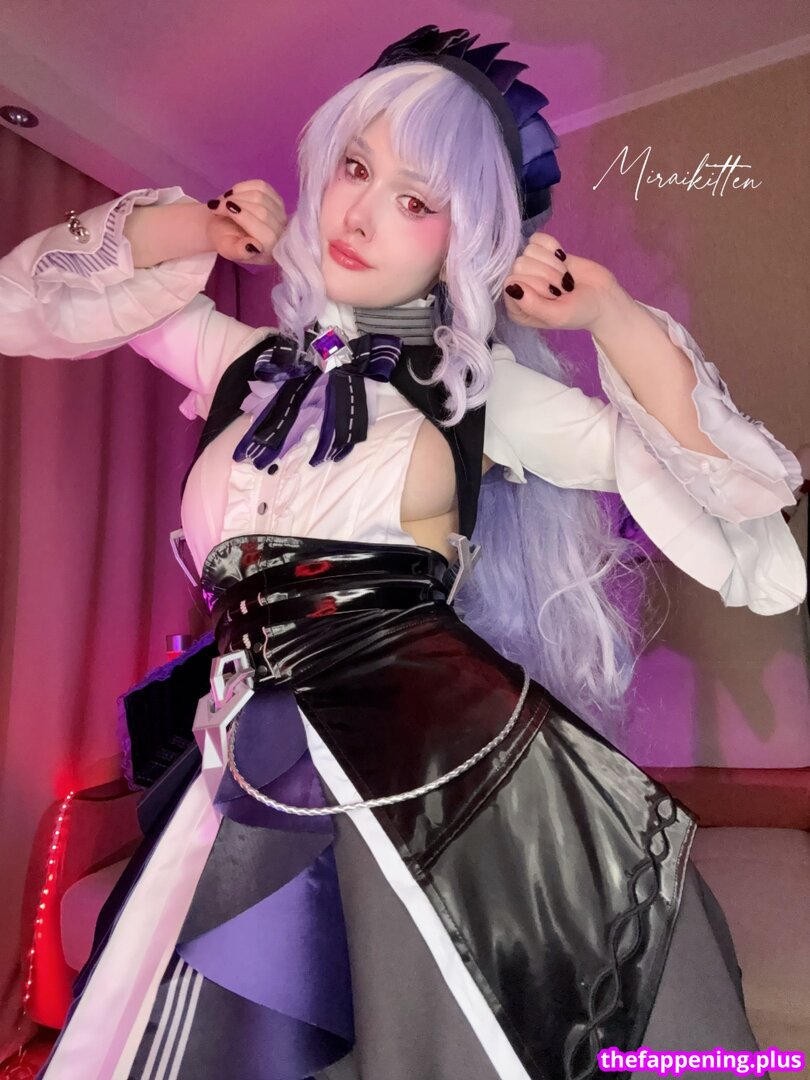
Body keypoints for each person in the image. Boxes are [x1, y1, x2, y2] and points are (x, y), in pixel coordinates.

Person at [1, 23, 805, 1080]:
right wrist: (198, 224)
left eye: (417, 200)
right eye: (353, 167)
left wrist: (608, 311)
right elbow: (26, 304)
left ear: (466, 238)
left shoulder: (477, 389)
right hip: (241, 759)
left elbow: (718, 484)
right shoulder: (242, 363)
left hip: (433, 771)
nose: (363, 212)